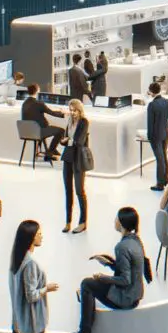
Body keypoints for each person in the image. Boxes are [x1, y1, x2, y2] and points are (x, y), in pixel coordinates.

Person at [67, 207, 149, 333]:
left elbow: (125, 280)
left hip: (125, 299)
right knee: (89, 286)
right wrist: (108, 263)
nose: (114, 221)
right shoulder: (136, 241)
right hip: (135, 295)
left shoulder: (121, 247)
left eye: (117, 218)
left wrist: (102, 277)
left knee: (87, 284)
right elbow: (128, 268)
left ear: (121, 223)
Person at [61, 99, 91, 234]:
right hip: (68, 157)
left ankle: (83, 222)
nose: (72, 113)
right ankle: (67, 221)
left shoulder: (84, 122)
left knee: (79, 191)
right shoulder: (69, 122)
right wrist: (67, 141)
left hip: (78, 159)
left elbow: (79, 141)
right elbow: (64, 139)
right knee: (68, 191)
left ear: (80, 110)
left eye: (75, 110)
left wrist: (68, 140)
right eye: (71, 110)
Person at [145, 82, 168, 193]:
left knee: (160, 159)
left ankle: (160, 184)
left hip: (156, 136)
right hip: (165, 134)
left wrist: (149, 137)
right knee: (164, 157)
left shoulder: (152, 105)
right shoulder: (167, 102)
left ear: (151, 91)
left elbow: (150, 124)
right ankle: (165, 179)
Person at [20, 84, 65, 162]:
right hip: (38, 132)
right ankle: (49, 153)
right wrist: (63, 113)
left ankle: (50, 150)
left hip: (26, 132)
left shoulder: (24, 103)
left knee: (47, 127)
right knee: (61, 131)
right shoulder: (39, 103)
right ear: (37, 91)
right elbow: (52, 113)